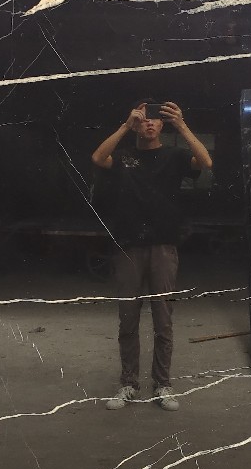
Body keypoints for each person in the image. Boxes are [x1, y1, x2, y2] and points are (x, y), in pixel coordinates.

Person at [91, 101, 213, 411]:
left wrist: (182, 125)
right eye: (144, 119)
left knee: (163, 320)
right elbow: (98, 158)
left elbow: (205, 161)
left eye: (156, 120)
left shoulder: (174, 156)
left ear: (162, 126)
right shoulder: (124, 157)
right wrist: (124, 125)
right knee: (128, 319)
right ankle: (128, 383)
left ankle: (163, 384)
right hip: (129, 246)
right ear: (137, 124)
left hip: (163, 246)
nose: (149, 123)